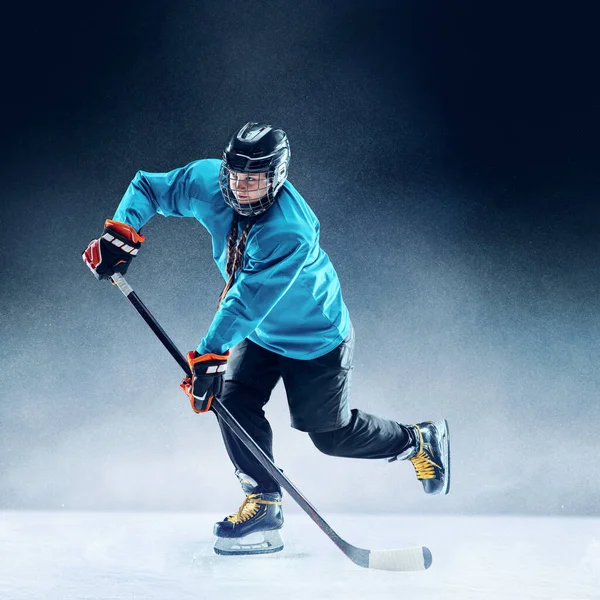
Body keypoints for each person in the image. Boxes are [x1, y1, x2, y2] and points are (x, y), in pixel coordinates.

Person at [83, 122, 451, 556]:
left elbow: (247, 299)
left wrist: (210, 352)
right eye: (235, 175)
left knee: (330, 436)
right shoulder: (208, 182)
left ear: (276, 178)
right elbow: (148, 186)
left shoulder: (289, 229)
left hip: (315, 338)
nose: (240, 188)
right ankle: (264, 501)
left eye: (253, 179)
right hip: (258, 333)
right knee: (232, 401)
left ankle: (417, 440)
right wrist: (121, 233)